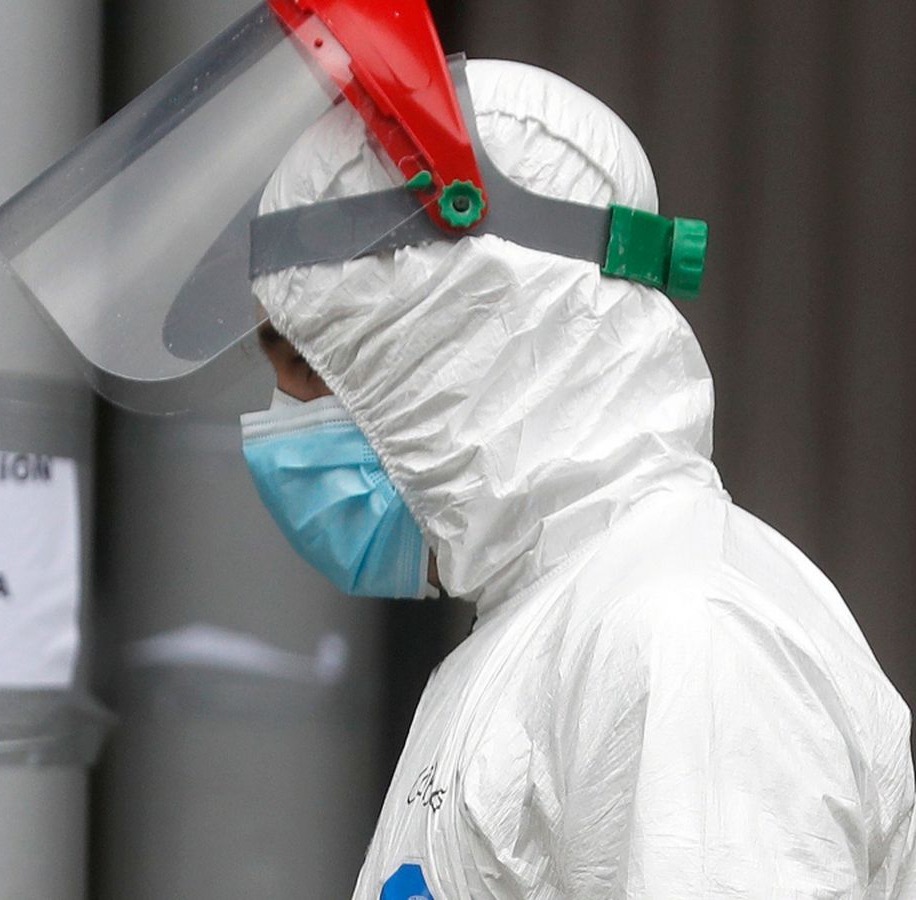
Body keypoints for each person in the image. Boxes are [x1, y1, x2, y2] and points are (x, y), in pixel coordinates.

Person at [240, 58, 916, 899]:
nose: (283, 414)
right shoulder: (550, 627)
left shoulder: (683, 635)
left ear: (462, 330)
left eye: (308, 360)